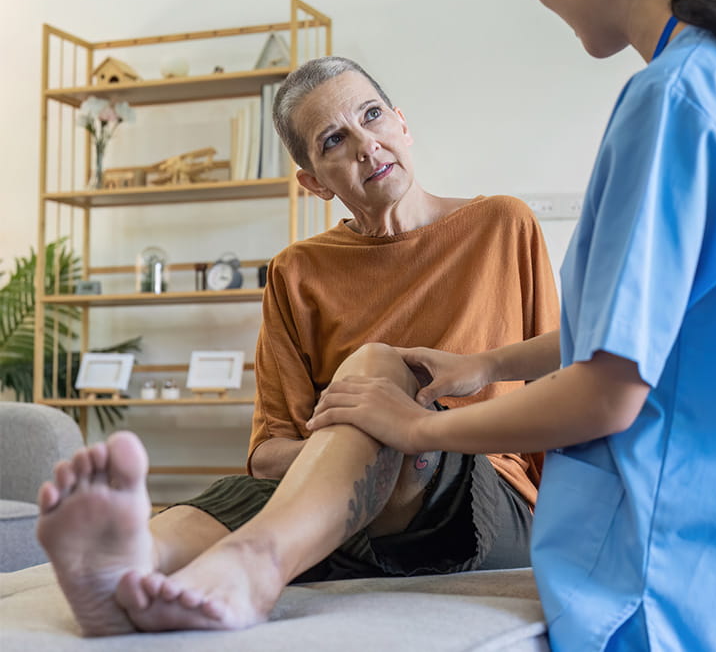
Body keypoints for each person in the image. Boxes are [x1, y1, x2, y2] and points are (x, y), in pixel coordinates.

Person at [309, 0, 716, 649]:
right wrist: (491, 363)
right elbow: (659, 326)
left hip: (678, 583)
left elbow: (606, 393)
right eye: (331, 140)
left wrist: (418, 429)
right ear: (313, 179)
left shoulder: (670, 100)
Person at [35, 56, 558, 635]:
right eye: (335, 139)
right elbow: (268, 453)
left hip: (481, 498)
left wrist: (390, 426)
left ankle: (254, 562)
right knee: (257, 491)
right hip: (345, 503)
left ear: (402, 124)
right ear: (312, 181)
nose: (367, 144)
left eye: (373, 115)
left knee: (377, 369)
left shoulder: (503, 225)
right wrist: (354, 447)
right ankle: (125, 566)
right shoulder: (296, 271)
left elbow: (558, 392)